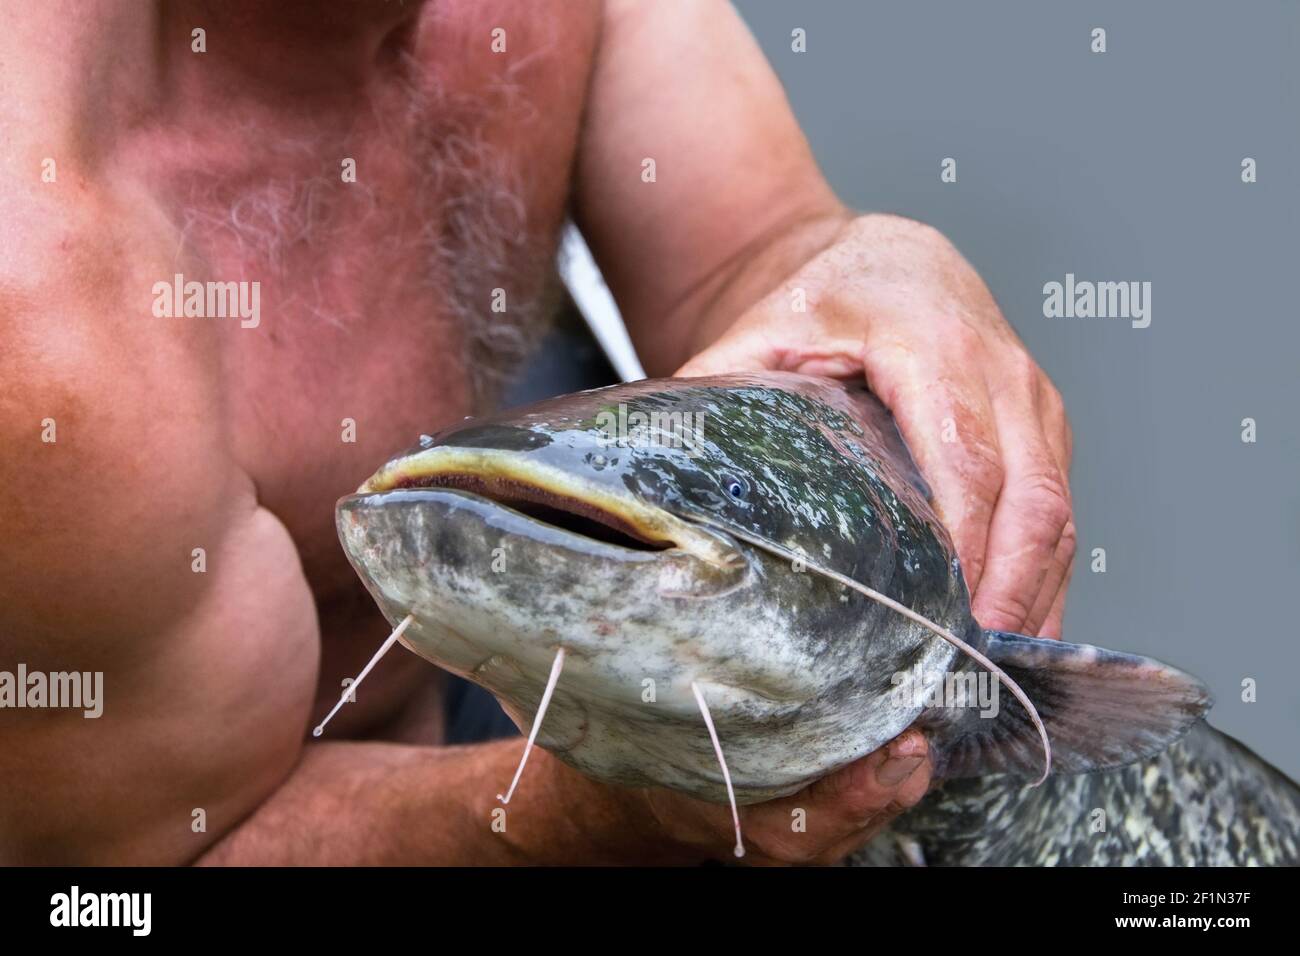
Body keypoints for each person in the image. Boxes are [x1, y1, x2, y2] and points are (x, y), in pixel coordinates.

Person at [0, 0, 1073, 865]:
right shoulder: (45, 302)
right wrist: (615, 814)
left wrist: (878, 267)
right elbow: (135, 868)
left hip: (538, 638)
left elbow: (746, 255)